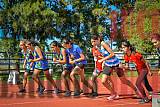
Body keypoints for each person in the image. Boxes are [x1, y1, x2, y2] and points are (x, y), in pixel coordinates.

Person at [91, 36, 139, 100]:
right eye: (92, 42)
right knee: (103, 81)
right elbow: (104, 55)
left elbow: (112, 54)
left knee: (123, 81)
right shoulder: (96, 47)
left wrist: (102, 60)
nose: (93, 43)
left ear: (98, 39)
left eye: (94, 41)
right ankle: (113, 93)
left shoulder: (103, 44)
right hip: (108, 64)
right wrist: (104, 62)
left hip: (115, 63)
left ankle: (136, 90)